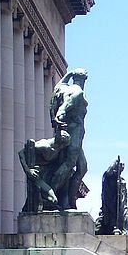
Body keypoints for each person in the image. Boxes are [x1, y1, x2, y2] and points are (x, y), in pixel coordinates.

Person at [48, 67, 89, 209]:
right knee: (69, 165)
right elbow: (63, 109)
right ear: (84, 80)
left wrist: (68, 74)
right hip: (74, 134)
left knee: (82, 167)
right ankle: (50, 194)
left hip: (73, 134)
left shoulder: (64, 89)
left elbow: (58, 86)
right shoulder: (78, 93)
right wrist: (59, 120)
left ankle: (69, 202)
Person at [18, 129, 71, 212]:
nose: (62, 147)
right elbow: (21, 153)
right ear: (59, 143)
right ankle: (34, 211)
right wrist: (28, 170)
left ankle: (32, 210)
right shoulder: (44, 146)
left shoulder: (58, 149)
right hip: (36, 175)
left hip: (46, 174)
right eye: (62, 145)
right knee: (53, 200)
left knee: (52, 199)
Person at [94, 155, 128, 235]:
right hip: (108, 204)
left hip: (119, 206)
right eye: (119, 167)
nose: (121, 169)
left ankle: (118, 228)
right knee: (107, 218)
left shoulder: (122, 181)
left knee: (121, 215)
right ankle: (112, 227)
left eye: (122, 168)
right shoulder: (108, 177)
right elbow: (107, 172)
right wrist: (115, 162)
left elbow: (124, 198)